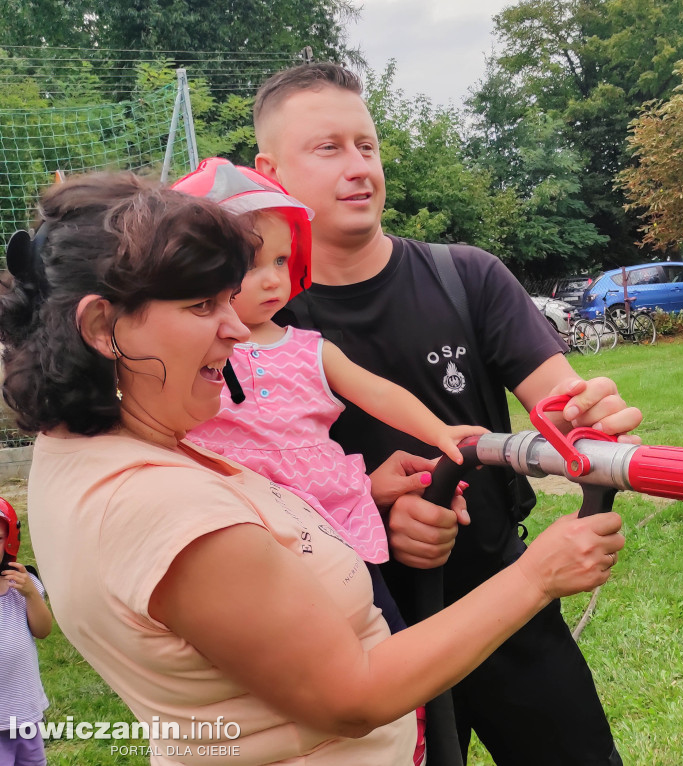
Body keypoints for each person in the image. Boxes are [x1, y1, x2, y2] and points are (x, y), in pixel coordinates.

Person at [0, 173, 624, 766]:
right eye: (200, 305)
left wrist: (366, 490)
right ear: (103, 326)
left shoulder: (102, 451)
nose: (232, 328)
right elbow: (352, 696)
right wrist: (538, 574)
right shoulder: (155, 504)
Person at [252, 62, 642, 766]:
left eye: (366, 146)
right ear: (269, 170)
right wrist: (373, 509)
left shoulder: (465, 275)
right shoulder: (254, 323)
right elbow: (239, 486)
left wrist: (589, 415)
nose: (358, 168)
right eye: (328, 148)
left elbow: (559, 398)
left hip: (507, 598)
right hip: (364, 630)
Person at [176, 158, 485, 566]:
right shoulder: (189, 351)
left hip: (331, 519)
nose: (273, 279)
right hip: (238, 522)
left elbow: (376, 391)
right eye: (250, 264)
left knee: (371, 615)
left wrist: (438, 430)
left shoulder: (308, 349)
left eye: (282, 260)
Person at [0, 499, 52, 766]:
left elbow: (43, 630)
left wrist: (31, 594)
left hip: (25, 713)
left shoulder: (22, 584)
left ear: (9, 541)